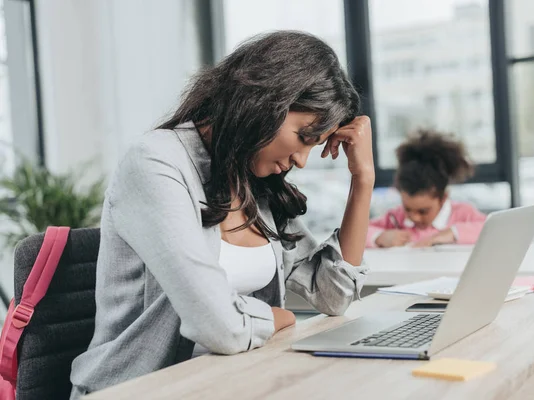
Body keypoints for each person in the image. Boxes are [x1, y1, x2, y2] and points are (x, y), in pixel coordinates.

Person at [70, 31, 374, 398]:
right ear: (266, 102)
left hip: (229, 382)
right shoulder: (155, 164)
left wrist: (363, 180)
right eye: (303, 137)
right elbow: (220, 327)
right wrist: (277, 316)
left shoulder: (255, 179)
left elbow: (333, 296)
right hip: (141, 390)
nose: (301, 160)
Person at [366, 129, 486, 248]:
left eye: (423, 211)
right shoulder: (395, 218)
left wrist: (453, 233)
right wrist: (378, 237)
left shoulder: (463, 214)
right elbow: (356, 233)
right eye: (407, 209)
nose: (414, 217)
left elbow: (492, 229)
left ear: (443, 198)